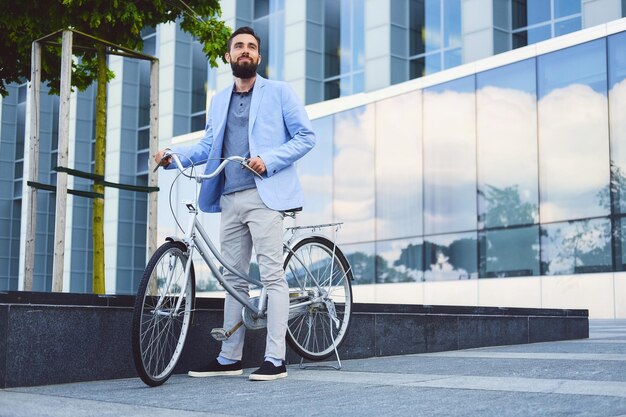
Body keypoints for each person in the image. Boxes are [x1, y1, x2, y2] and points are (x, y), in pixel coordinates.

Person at [154, 26, 315, 381]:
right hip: (228, 196)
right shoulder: (219, 99)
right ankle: (230, 358)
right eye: (239, 46)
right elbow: (208, 146)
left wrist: (269, 159)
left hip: (265, 195)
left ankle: (276, 358)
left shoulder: (278, 93)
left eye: (252, 47)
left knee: (272, 275)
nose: (245, 51)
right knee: (233, 279)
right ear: (228, 56)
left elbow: (306, 137)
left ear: (258, 57)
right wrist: (173, 155)